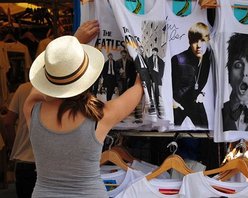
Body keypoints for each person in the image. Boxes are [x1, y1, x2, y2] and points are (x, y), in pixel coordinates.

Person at [23, 34, 143, 198]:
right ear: (87, 76)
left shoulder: (31, 108)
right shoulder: (101, 115)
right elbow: (137, 90)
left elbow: (37, 88)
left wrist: (69, 48)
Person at [171, 22, 213, 128]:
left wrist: (202, 93)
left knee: (206, 134)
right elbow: (166, 84)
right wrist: (172, 102)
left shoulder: (208, 60)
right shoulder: (178, 59)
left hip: (195, 103)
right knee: (169, 136)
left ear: (208, 41)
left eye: (202, 41)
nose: (199, 45)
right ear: (189, 41)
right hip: (178, 105)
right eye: (195, 41)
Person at [3, 82, 35, 198]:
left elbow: (7, 122)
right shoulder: (61, 91)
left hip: (24, 160)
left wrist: (13, 147)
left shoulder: (23, 88)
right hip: (51, 162)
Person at [147, 47, 165, 117]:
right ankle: (151, 104)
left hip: (157, 75)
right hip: (152, 75)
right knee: (151, 90)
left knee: (156, 90)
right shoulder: (149, 59)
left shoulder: (160, 60)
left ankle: (156, 104)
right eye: (153, 51)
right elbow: (148, 68)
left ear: (157, 52)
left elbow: (162, 69)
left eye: (155, 51)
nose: (154, 53)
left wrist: (160, 76)